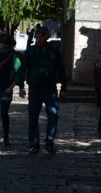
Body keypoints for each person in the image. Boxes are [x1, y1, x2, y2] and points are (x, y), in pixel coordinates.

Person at [16, 24, 67, 154]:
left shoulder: (54, 51)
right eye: (37, 35)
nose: (39, 38)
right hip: (35, 88)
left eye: (42, 35)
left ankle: (49, 142)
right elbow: (23, 69)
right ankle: (34, 144)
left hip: (50, 89)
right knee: (33, 117)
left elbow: (61, 69)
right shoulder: (31, 51)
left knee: (53, 115)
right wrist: (21, 86)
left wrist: (64, 88)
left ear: (47, 36)